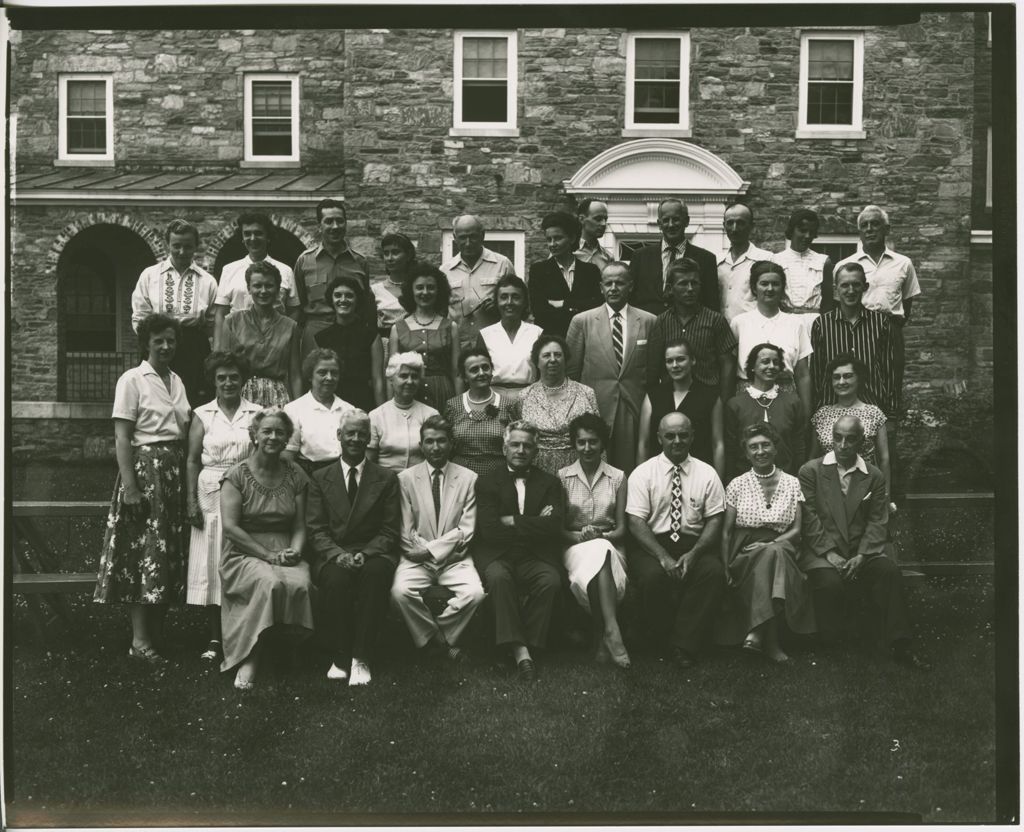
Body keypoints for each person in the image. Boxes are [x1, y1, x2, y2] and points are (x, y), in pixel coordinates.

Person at [94, 314, 191, 666]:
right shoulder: (132, 379)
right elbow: (122, 437)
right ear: (145, 343)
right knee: (143, 553)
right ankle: (138, 640)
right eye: (158, 341)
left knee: (165, 553)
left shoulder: (177, 380)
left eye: (170, 340)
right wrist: (131, 489)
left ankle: (157, 635)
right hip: (146, 471)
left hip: (174, 473)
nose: (165, 347)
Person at [798, 416, 928, 669]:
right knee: (830, 583)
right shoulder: (810, 471)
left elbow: (878, 520)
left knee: (889, 572)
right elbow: (809, 518)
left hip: (860, 551)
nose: (843, 444)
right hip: (822, 551)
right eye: (838, 437)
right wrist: (830, 553)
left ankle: (901, 645)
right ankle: (830, 642)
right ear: (831, 438)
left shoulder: (874, 476)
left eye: (850, 439)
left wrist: (863, 555)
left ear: (862, 441)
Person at [219, 407, 315, 690]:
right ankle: (251, 656)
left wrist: (296, 551)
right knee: (269, 582)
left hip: (284, 546)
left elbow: (299, 525)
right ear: (255, 436)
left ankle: (286, 649)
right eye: (267, 431)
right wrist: (268, 555)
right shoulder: (236, 476)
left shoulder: (296, 474)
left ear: (287, 440)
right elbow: (231, 528)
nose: (273, 437)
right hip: (244, 551)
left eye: (280, 433)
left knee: (301, 583)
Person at [307, 409, 401, 686]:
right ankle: (340, 654)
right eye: (350, 433)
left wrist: (366, 553)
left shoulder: (386, 477)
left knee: (374, 576)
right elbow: (316, 529)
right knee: (335, 580)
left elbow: (389, 529)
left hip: (373, 551)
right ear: (339, 436)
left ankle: (362, 657)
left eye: (362, 433)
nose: (356, 439)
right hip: (333, 551)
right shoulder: (320, 476)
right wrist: (338, 554)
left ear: (370, 438)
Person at [626, 412, 726, 668]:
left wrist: (694, 554)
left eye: (683, 435)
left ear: (693, 436)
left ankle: (682, 644)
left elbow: (715, 520)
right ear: (659, 438)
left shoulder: (707, 473)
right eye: (670, 436)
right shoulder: (643, 473)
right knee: (653, 578)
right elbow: (636, 522)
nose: (677, 441)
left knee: (712, 572)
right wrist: (663, 557)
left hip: (693, 543)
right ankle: (663, 638)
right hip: (652, 544)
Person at [473, 420, 565, 682]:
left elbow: (554, 526)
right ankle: (522, 654)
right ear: (505, 448)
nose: (521, 450)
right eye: (515, 444)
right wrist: (535, 522)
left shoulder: (549, 483)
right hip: (498, 553)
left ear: (536, 451)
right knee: (500, 579)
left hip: (535, 555)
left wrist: (512, 520)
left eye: (527, 446)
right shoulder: (487, 482)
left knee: (550, 580)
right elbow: (490, 530)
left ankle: (521, 646)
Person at [715, 423, 814, 662]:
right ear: (746, 453)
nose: (760, 451)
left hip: (783, 545)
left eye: (765, 445)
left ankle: (757, 632)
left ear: (775, 448)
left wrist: (770, 545)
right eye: (753, 447)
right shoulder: (737, 485)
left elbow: (797, 530)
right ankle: (771, 642)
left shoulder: (792, 483)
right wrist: (726, 565)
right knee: (774, 557)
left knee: (775, 553)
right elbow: (727, 532)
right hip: (745, 550)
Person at [185, 352, 261, 664]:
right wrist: (190, 500)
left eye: (233, 377)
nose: (228, 382)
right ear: (213, 381)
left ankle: (243, 633)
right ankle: (215, 638)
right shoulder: (202, 414)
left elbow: (260, 458)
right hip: (209, 493)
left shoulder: (256, 413)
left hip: (244, 492)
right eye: (221, 377)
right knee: (212, 566)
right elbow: (191, 460)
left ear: (243, 380)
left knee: (241, 563)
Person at [391, 415, 484, 662]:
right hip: (415, 558)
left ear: (451, 444)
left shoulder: (469, 478)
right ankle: (440, 641)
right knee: (400, 592)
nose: (435, 447)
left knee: (475, 593)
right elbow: (405, 530)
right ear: (420, 445)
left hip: (455, 558)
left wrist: (432, 551)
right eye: (429, 441)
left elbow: (467, 529)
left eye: (441, 441)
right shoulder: (405, 479)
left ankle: (437, 638)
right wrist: (424, 553)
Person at [566, 261, 656, 472]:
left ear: (630, 286)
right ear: (601, 287)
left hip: (633, 408)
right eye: (608, 283)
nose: (613, 288)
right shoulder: (582, 321)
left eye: (620, 283)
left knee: (630, 471)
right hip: (595, 408)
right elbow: (571, 372)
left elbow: (654, 371)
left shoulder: (649, 321)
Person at [834, 206, 921, 422]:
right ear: (859, 232)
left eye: (875, 224)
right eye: (864, 225)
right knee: (854, 382)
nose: (870, 229)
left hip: (889, 329)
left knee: (889, 385)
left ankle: (887, 440)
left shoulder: (903, 263)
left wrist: (890, 326)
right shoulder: (845, 265)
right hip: (855, 328)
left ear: (886, 229)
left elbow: (907, 302)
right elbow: (840, 303)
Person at [558, 413, 631, 668]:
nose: (587, 448)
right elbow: (559, 530)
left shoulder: (618, 478)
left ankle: (602, 639)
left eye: (593, 442)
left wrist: (601, 536)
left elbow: (622, 530)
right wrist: (582, 537)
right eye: (581, 442)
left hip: (610, 545)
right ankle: (611, 631)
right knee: (596, 552)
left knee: (601, 550)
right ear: (574, 444)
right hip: (575, 548)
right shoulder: (562, 478)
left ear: (602, 444)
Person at [130, 219, 217, 406]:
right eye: (176, 246)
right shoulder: (150, 275)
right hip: (157, 345)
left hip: (193, 348)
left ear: (196, 247)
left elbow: (212, 324)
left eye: (188, 246)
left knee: (191, 400)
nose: (182, 252)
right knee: (153, 398)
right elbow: (139, 315)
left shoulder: (207, 281)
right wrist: (150, 343)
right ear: (167, 244)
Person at [810, 262, 898, 421]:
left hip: (874, 410)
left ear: (865, 286)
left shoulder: (881, 323)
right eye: (845, 285)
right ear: (836, 288)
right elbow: (816, 374)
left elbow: (889, 371)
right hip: (832, 410)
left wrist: (891, 414)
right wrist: (816, 410)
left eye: (856, 285)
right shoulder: (821, 325)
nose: (851, 291)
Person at [646, 259, 738, 402]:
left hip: (708, 398)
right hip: (672, 399)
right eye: (683, 283)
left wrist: (724, 401)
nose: (690, 289)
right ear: (670, 288)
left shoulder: (715, 320)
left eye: (694, 283)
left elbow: (728, 363)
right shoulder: (662, 322)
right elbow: (654, 367)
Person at [730, 260, 813, 417]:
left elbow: (802, 374)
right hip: (747, 396)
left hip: (786, 396)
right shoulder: (739, 323)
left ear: (782, 288)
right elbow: (730, 369)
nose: (770, 289)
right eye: (764, 283)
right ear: (754, 288)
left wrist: (806, 415)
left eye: (775, 284)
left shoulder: (796, 324)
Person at [293, 198, 373, 357]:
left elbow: (365, 305)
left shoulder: (360, 262)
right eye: (329, 221)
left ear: (345, 224)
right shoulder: (305, 261)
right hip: (316, 332)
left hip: (352, 332)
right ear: (319, 226)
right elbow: (297, 305)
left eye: (340, 221)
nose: (335, 226)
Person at [810, 353, 892, 505]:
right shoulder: (821, 415)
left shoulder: (874, 413)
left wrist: (885, 494)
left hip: (865, 486)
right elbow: (813, 458)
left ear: (859, 378)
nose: (841, 382)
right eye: (836, 377)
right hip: (829, 488)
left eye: (847, 376)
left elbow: (884, 459)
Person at [638, 337, 724, 480]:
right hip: (659, 476)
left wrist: (718, 483)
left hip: (698, 475)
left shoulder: (710, 396)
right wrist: (641, 479)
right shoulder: (653, 396)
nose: (675, 365)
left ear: (693, 360)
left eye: (680, 359)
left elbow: (717, 444)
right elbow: (644, 443)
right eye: (669, 361)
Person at [218, 261, 302, 406]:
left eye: (269, 286)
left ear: (277, 290)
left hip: (278, 398)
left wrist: (299, 409)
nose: (263, 291)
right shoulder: (232, 322)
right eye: (257, 286)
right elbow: (223, 369)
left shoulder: (290, 326)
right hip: (241, 396)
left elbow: (295, 375)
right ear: (249, 289)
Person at [517, 335, 600, 475]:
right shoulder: (524, 396)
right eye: (546, 355)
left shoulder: (586, 392)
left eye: (558, 355)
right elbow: (518, 438)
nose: (553, 359)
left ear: (565, 359)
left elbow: (598, 436)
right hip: (537, 471)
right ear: (536, 361)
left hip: (578, 468)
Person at [212, 212, 300, 342]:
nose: (253, 238)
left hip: (275, 340)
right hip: (237, 340)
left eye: (258, 233)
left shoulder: (285, 270)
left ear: (267, 236)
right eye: (247, 234)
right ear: (242, 237)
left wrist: (285, 338)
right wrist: (218, 347)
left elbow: (293, 310)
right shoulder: (229, 270)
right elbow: (221, 313)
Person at [725, 344, 806, 479]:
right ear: (752, 366)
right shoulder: (735, 405)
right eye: (765, 362)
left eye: (776, 362)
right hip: (746, 483)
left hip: (786, 480)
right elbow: (731, 449)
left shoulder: (792, 402)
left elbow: (799, 446)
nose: (771, 366)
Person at [628, 198, 719, 315]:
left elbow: (712, 304)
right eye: (666, 220)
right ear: (659, 224)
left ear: (686, 221)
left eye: (676, 219)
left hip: (689, 329)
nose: (671, 225)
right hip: (649, 328)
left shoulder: (706, 259)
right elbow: (629, 298)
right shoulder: (639, 257)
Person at [389, 262, 460, 409]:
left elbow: (457, 373)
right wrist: (391, 407)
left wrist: (459, 407)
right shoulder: (398, 328)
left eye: (431, 287)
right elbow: (391, 374)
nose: (425, 292)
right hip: (409, 392)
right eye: (420, 287)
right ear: (411, 291)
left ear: (438, 291)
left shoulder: (450, 327)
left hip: (443, 393)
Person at [442, 214, 515, 352]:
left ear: (483, 235)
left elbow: (520, 305)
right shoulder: (445, 270)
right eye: (463, 237)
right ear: (455, 237)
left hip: (495, 345)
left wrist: (499, 307)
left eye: (473, 236)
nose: (468, 243)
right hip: (458, 347)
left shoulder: (502, 264)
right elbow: (440, 312)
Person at [313, 275, 386, 411]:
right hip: (331, 403)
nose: (343, 300)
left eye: (349, 295)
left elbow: (378, 380)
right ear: (331, 300)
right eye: (338, 295)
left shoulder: (371, 336)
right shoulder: (321, 338)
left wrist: (381, 414)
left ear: (357, 300)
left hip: (363, 402)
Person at [444, 348, 520, 477]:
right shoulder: (453, 406)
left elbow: (516, 445)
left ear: (492, 371)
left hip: (498, 477)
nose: (481, 373)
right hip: (460, 477)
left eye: (485, 367)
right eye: (474, 370)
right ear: (464, 377)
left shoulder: (508, 405)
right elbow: (446, 445)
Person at [528, 211, 603, 337]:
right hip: (553, 340)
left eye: (557, 238)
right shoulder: (539, 271)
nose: (552, 244)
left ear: (572, 238)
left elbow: (596, 307)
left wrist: (564, 304)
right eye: (549, 239)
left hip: (585, 337)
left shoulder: (590, 271)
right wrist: (578, 306)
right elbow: (540, 311)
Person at [282, 349, 354, 475]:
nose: (329, 377)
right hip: (309, 476)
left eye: (334, 373)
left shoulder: (349, 410)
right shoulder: (294, 409)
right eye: (322, 372)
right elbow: (288, 458)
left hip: (344, 476)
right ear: (310, 376)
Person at [367, 352, 440, 472]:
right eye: (404, 376)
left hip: (420, 482)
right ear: (391, 379)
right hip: (386, 484)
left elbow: (436, 458)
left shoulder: (431, 414)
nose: (410, 381)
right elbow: (369, 462)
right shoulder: (376, 416)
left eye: (415, 377)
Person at [476, 275, 542, 405]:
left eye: (516, 297)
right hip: (493, 399)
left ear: (524, 302)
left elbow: (542, 375)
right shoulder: (485, 334)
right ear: (497, 301)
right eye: (504, 297)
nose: (509, 302)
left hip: (529, 399)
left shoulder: (537, 333)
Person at [770, 208, 836, 335]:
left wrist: (826, 328)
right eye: (802, 231)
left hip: (815, 323)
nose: (807, 236)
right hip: (784, 322)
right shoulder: (776, 260)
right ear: (792, 230)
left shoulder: (823, 261)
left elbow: (828, 303)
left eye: (811, 232)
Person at [716, 204, 774, 323]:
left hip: (753, 328)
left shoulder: (766, 259)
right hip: (721, 332)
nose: (734, 228)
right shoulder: (716, 260)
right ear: (724, 226)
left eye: (740, 223)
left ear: (751, 226)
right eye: (730, 223)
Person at [373, 232, 416, 343]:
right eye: (386, 253)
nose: (390, 258)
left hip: (415, 343)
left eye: (395, 252)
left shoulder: (419, 288)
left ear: (408, 255)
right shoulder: (374, 290)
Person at [574, 199, 614, 271]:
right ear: (581, 219)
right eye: (598, 219)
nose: (603, 224)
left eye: (605, 219)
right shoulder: (567, 252)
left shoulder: (608, 257)